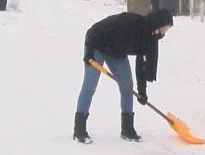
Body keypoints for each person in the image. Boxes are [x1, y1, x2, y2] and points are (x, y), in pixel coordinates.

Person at [74, 9, 174, 144]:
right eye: (164, 28)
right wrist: (89, 53)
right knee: (90, 85)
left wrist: (142, 91)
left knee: (127, 86)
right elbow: (95, 30)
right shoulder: (131, 22)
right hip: (96, 45)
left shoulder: (151, 40)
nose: (164, 33)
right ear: (158, 23)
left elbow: (142, 65)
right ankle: (79, 130)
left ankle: (127, 129)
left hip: (117, 54)